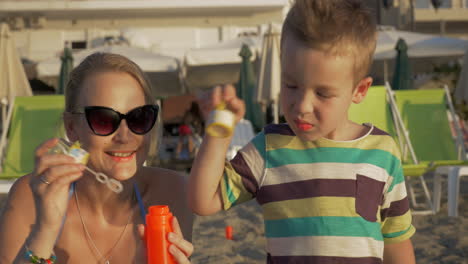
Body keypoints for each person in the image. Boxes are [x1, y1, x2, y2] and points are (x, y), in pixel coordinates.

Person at [188, 0, 416, 263]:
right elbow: (203, 201)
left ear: (359, 90)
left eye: (322, 93)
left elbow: (396, 241)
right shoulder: (270, 148)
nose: (302, 105)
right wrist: (218, 135)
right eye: (290, 85)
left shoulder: (382, 151)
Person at [0, 53, 193, 263]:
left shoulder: (171, 192)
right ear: (72, 127)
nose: (125, 136)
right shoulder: (32, 197)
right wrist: (45, 229)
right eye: (104, 120)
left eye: (140, 117)